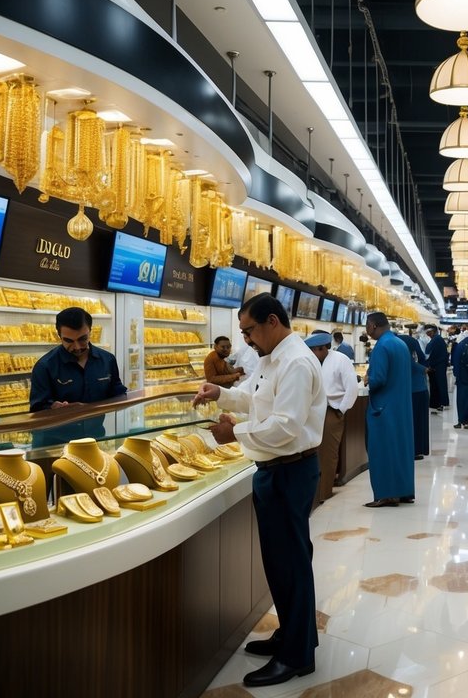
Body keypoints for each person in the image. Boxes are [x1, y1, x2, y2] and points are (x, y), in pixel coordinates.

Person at [192, 293, 324, 688]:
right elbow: (255, 396)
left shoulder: (297, 362)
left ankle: (297, 656)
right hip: (273, 470)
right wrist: (222, 394)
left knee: (292, 563)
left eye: (249, 331)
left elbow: (285, 425)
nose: (246, 340)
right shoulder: (273, 358)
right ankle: (291, 634)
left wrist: (233, 433)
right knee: (280, 562)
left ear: (271, 321)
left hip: (290, 470)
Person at [362, 312, 415, 507]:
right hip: (400, 406)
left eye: (367, 325)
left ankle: (387, 494)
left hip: (383, 408)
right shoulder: (399, 344)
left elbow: (378, 379)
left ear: (374, 325)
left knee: (382, 450)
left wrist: (368, 379)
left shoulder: (381, 346)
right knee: (400, 449)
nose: (366, 330)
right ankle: (403, 490)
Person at [29, 307, 127, 412]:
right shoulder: (44, 367)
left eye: (82, 339)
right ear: (59, 336)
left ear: (90, 332)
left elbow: (118, 394)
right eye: (68, 341)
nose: (77, 347)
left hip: (97, 428)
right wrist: (52, 408)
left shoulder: (108, 360)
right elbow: (37, 409)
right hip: (62, 428)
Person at [306, 330, 358, 506]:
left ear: (323, 347)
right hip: (311, 412)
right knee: (310, 452)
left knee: (328, 454)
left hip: (331, 411)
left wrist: (340, 410)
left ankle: (323, 493)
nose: (311, 353)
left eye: (314, 349)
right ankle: (311, 493)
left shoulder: (340, 360)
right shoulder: (310, 361)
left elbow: (352, 388)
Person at [397, 330, 431, 460]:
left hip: (413, 393)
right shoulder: (414, 360)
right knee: (419, 422)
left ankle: (413, 449)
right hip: (420, 391)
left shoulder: (406, 361)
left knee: (413, 422)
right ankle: (418, 449)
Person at [452, 327, 468, 429]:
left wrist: (456, 375)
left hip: (462, 378)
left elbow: (455, 361)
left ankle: (461, 420)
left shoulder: (460, 345)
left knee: (461, 399)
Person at [424, 324, 450, 412]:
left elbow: (429, 352)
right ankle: (436, 403)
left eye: (429, 332)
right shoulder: (436, 339)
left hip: (438, 366)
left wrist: (430, 364)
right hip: (438, 365)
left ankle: (443, 403)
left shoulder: (436, 339)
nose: (428, 334)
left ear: (433, 331)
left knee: (440, 384)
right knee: (437, 385)